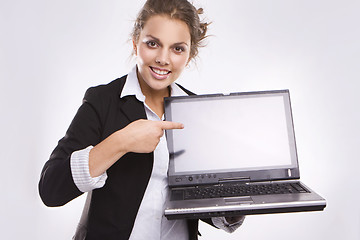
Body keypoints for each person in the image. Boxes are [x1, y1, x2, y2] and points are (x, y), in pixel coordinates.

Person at [38, 0, 245, 239]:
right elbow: (50, 190)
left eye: (177, 48)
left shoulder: (195, 109)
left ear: (190, 55)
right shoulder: (103, 100)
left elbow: (202, 205)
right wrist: (121, 142)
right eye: (153, 44)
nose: (163, 59)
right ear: (136, 42)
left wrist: (236, 201)